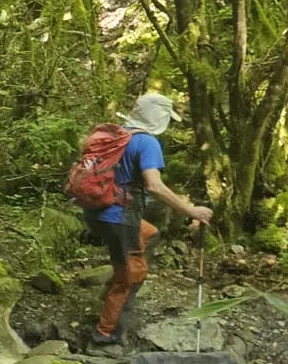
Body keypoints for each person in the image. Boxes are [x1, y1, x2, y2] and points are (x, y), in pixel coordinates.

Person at [87, 92, 214, 346]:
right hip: (121, 217)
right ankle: (105, 336)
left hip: (95, 212)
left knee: (150, 233)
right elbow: (154, 186)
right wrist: (191, 211)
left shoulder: (116, 136)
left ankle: (114, 287)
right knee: (133, 276)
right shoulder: (147, 143)